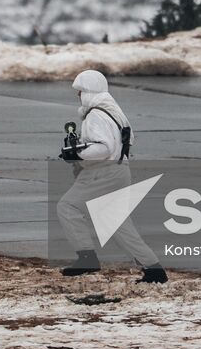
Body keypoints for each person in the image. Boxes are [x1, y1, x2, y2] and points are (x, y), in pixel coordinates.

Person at [56, 69, 167, 284]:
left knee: (67, 207)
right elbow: (126, 140)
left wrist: (77, 153)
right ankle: (154, 269)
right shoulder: (114, 111)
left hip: (102, 173)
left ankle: (86, 257)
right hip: (120, 170)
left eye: (79, 92)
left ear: (88, 91)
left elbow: (103, 149)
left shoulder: (96, 114)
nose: (78, 96)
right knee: (116, 223)